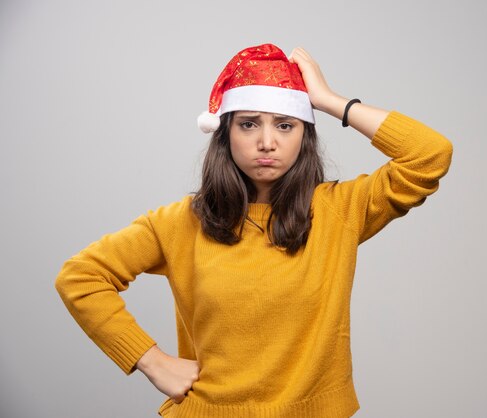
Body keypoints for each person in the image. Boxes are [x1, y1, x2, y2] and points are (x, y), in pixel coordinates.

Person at [55, 43, 453, 417]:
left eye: (285, 125)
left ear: (305, 135)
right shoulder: (180, 222)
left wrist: (330, 101)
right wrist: (152, 361)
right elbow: (81, 277)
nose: (267, 142)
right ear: (225, 133)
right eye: (248, 125)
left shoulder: (338, 210)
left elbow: (429, 154)